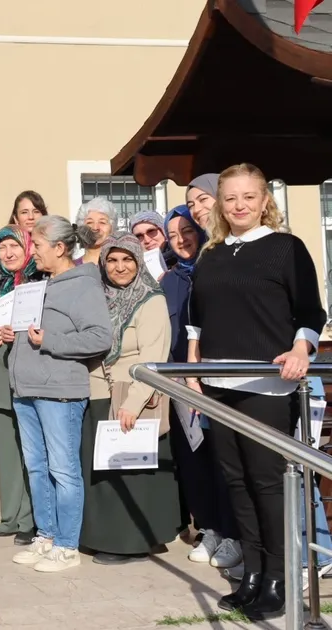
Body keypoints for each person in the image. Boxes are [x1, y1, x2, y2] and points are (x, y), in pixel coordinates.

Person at [187, 163, 326, 619]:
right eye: (231, 198)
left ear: (265, 200)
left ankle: (278, 578)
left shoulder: (285, 248)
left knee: (267, 483)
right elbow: (197, 316)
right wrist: (192, 362)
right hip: (218, 382)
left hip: (266, 385)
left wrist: (302, 347)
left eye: (249, 196)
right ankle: (252, 572)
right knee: (236, 481)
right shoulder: (211, 253)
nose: (239, 205)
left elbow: (310, 309)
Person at [9, 215, 111, 573]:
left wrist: (50, 340)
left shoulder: (83, 286)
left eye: (37, 246)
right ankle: (46, 536)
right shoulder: (39, 284)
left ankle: (67, 546)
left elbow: (100, 337)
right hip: (26, 390)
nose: (32, 252)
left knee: (63, 470)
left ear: (60, 247)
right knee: (37, 468)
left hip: (59, 393)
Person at [81, 234, 181, 565]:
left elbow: (154, 356)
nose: (119, 267)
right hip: (98, 393)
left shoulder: (151, 299)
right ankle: (106, 536)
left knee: (131, 474)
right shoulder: (98, 297)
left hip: (132, 395)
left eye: (127, 260)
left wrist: (133, 403)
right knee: (104, 475)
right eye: (112, 260)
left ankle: (131, 543)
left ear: (139, 262)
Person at [160, 205, 241, 570]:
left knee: (226, 460)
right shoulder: (168, 282)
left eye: (187, 231)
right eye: (173, 235)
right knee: (195, 461)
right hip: (183, 384)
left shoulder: (217, 268)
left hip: (220, 378)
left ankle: (233, 533)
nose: (181, 240)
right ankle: (210, 528)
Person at [0, 227, 40, 546]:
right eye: (2, 247)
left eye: (14, 246)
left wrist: (17, 334)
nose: (8, 253)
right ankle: (10, 516)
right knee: (7, 451)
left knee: (31, 449)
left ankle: (30, 519)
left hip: (30, 374)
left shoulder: (39, 280)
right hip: (1, 374)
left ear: (27, 247)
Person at [74, 198, 115, 265]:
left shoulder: (119, 267)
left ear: (112, 228)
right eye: (89, 222)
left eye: (102, 222)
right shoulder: (72, 268)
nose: (95, 228)